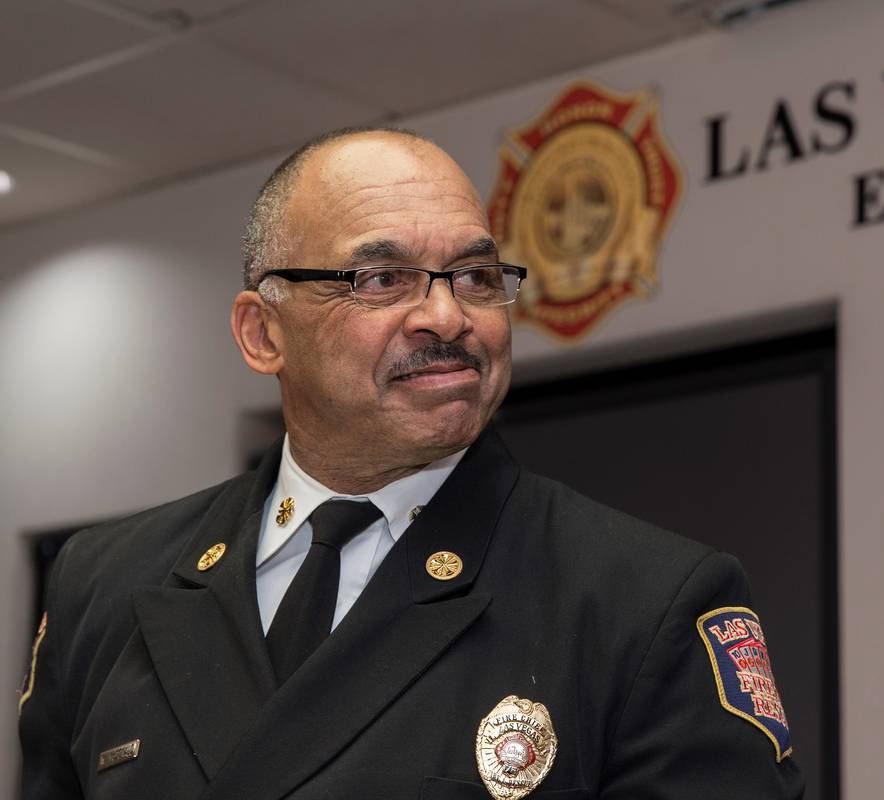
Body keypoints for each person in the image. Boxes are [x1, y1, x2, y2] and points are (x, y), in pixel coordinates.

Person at [18, 128, 805, 799]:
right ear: (264, 334)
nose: (447, 315)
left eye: (476, 276)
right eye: (382, 278)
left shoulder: (642, 602)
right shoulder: (107, 583)